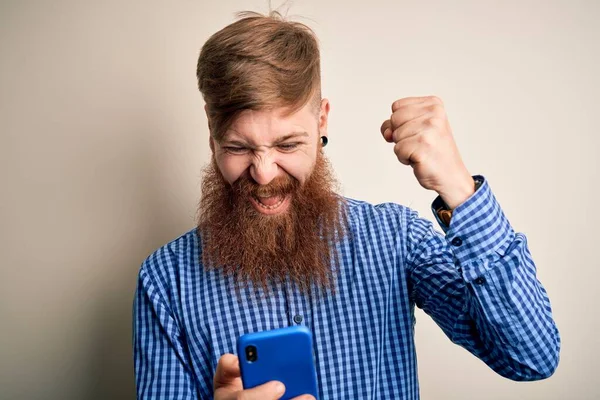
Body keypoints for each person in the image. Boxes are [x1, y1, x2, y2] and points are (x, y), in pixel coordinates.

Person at [133, 10, 560, 400]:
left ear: (321, 120)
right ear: (212, 132)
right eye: (238, 147)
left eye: (288, 143)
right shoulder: (166, 281)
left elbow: (530, 357)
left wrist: (460, 190)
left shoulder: (395, 239)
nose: (263, 173)